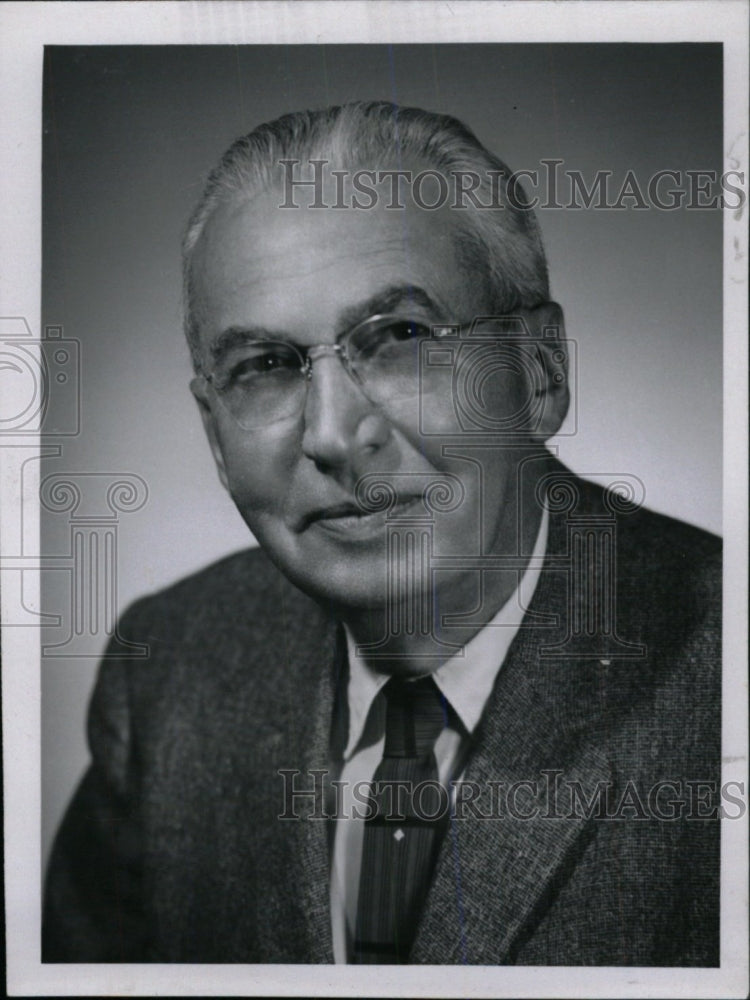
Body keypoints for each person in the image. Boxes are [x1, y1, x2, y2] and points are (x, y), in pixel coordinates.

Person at [42, 101, 721, 965]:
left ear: (540, 372)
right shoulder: (169, 668)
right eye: (264, 367)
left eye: (399, 337)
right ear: (215, 434)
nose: (332, 435)